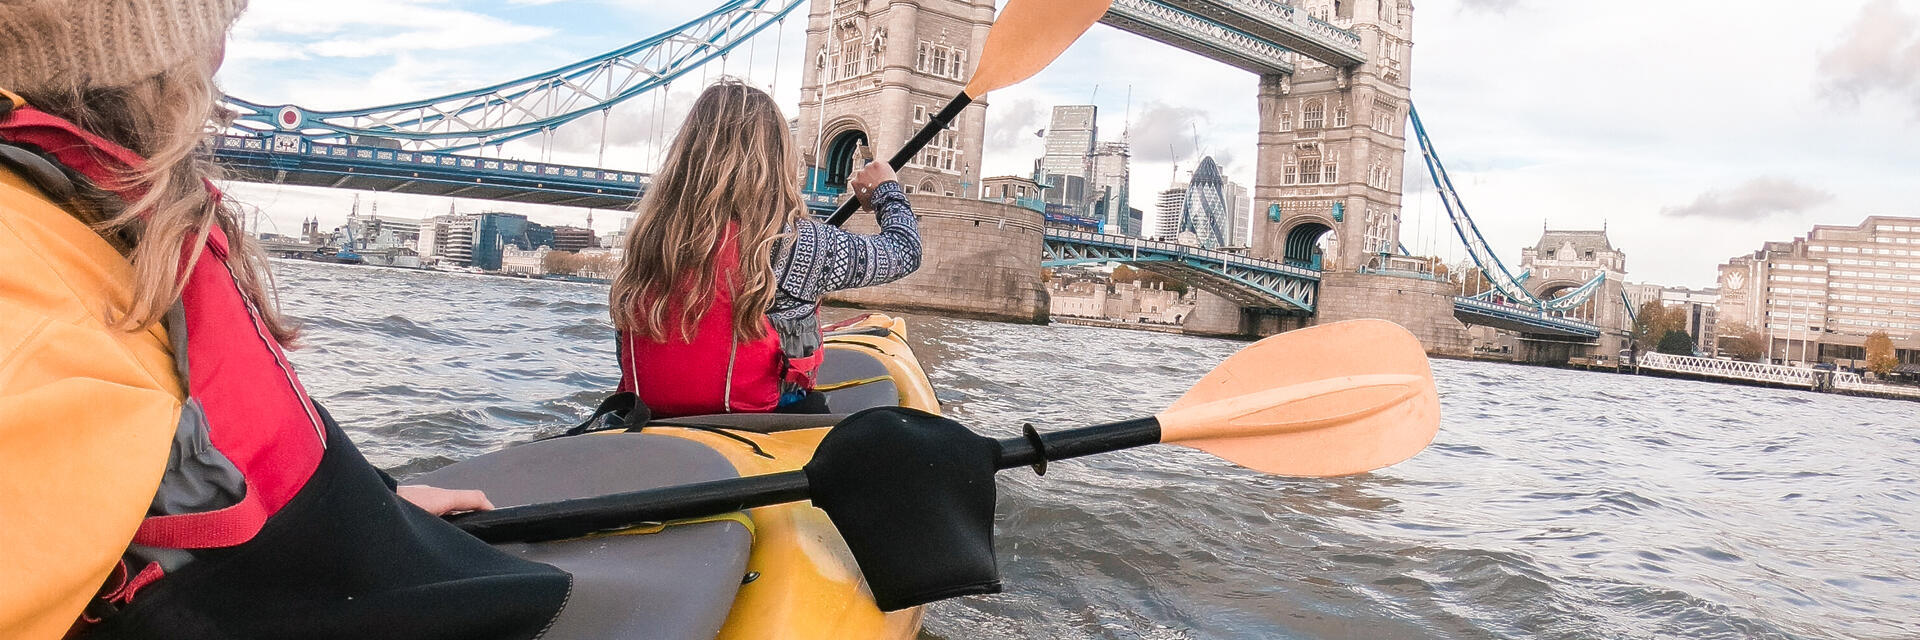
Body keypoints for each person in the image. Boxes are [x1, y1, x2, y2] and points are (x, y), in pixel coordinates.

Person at [0, 1, 572, 638]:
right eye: (215, 29)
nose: (222, 62)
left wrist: (366, 507)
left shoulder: (88, 221)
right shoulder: (24, 284)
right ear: (151, 54)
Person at [609, 80, 921, 418]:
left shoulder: (647, 241)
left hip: (651, 415)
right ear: (776, 160)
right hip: (763, 418)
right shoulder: (800, 244)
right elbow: (905, 250)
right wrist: (886, 190)